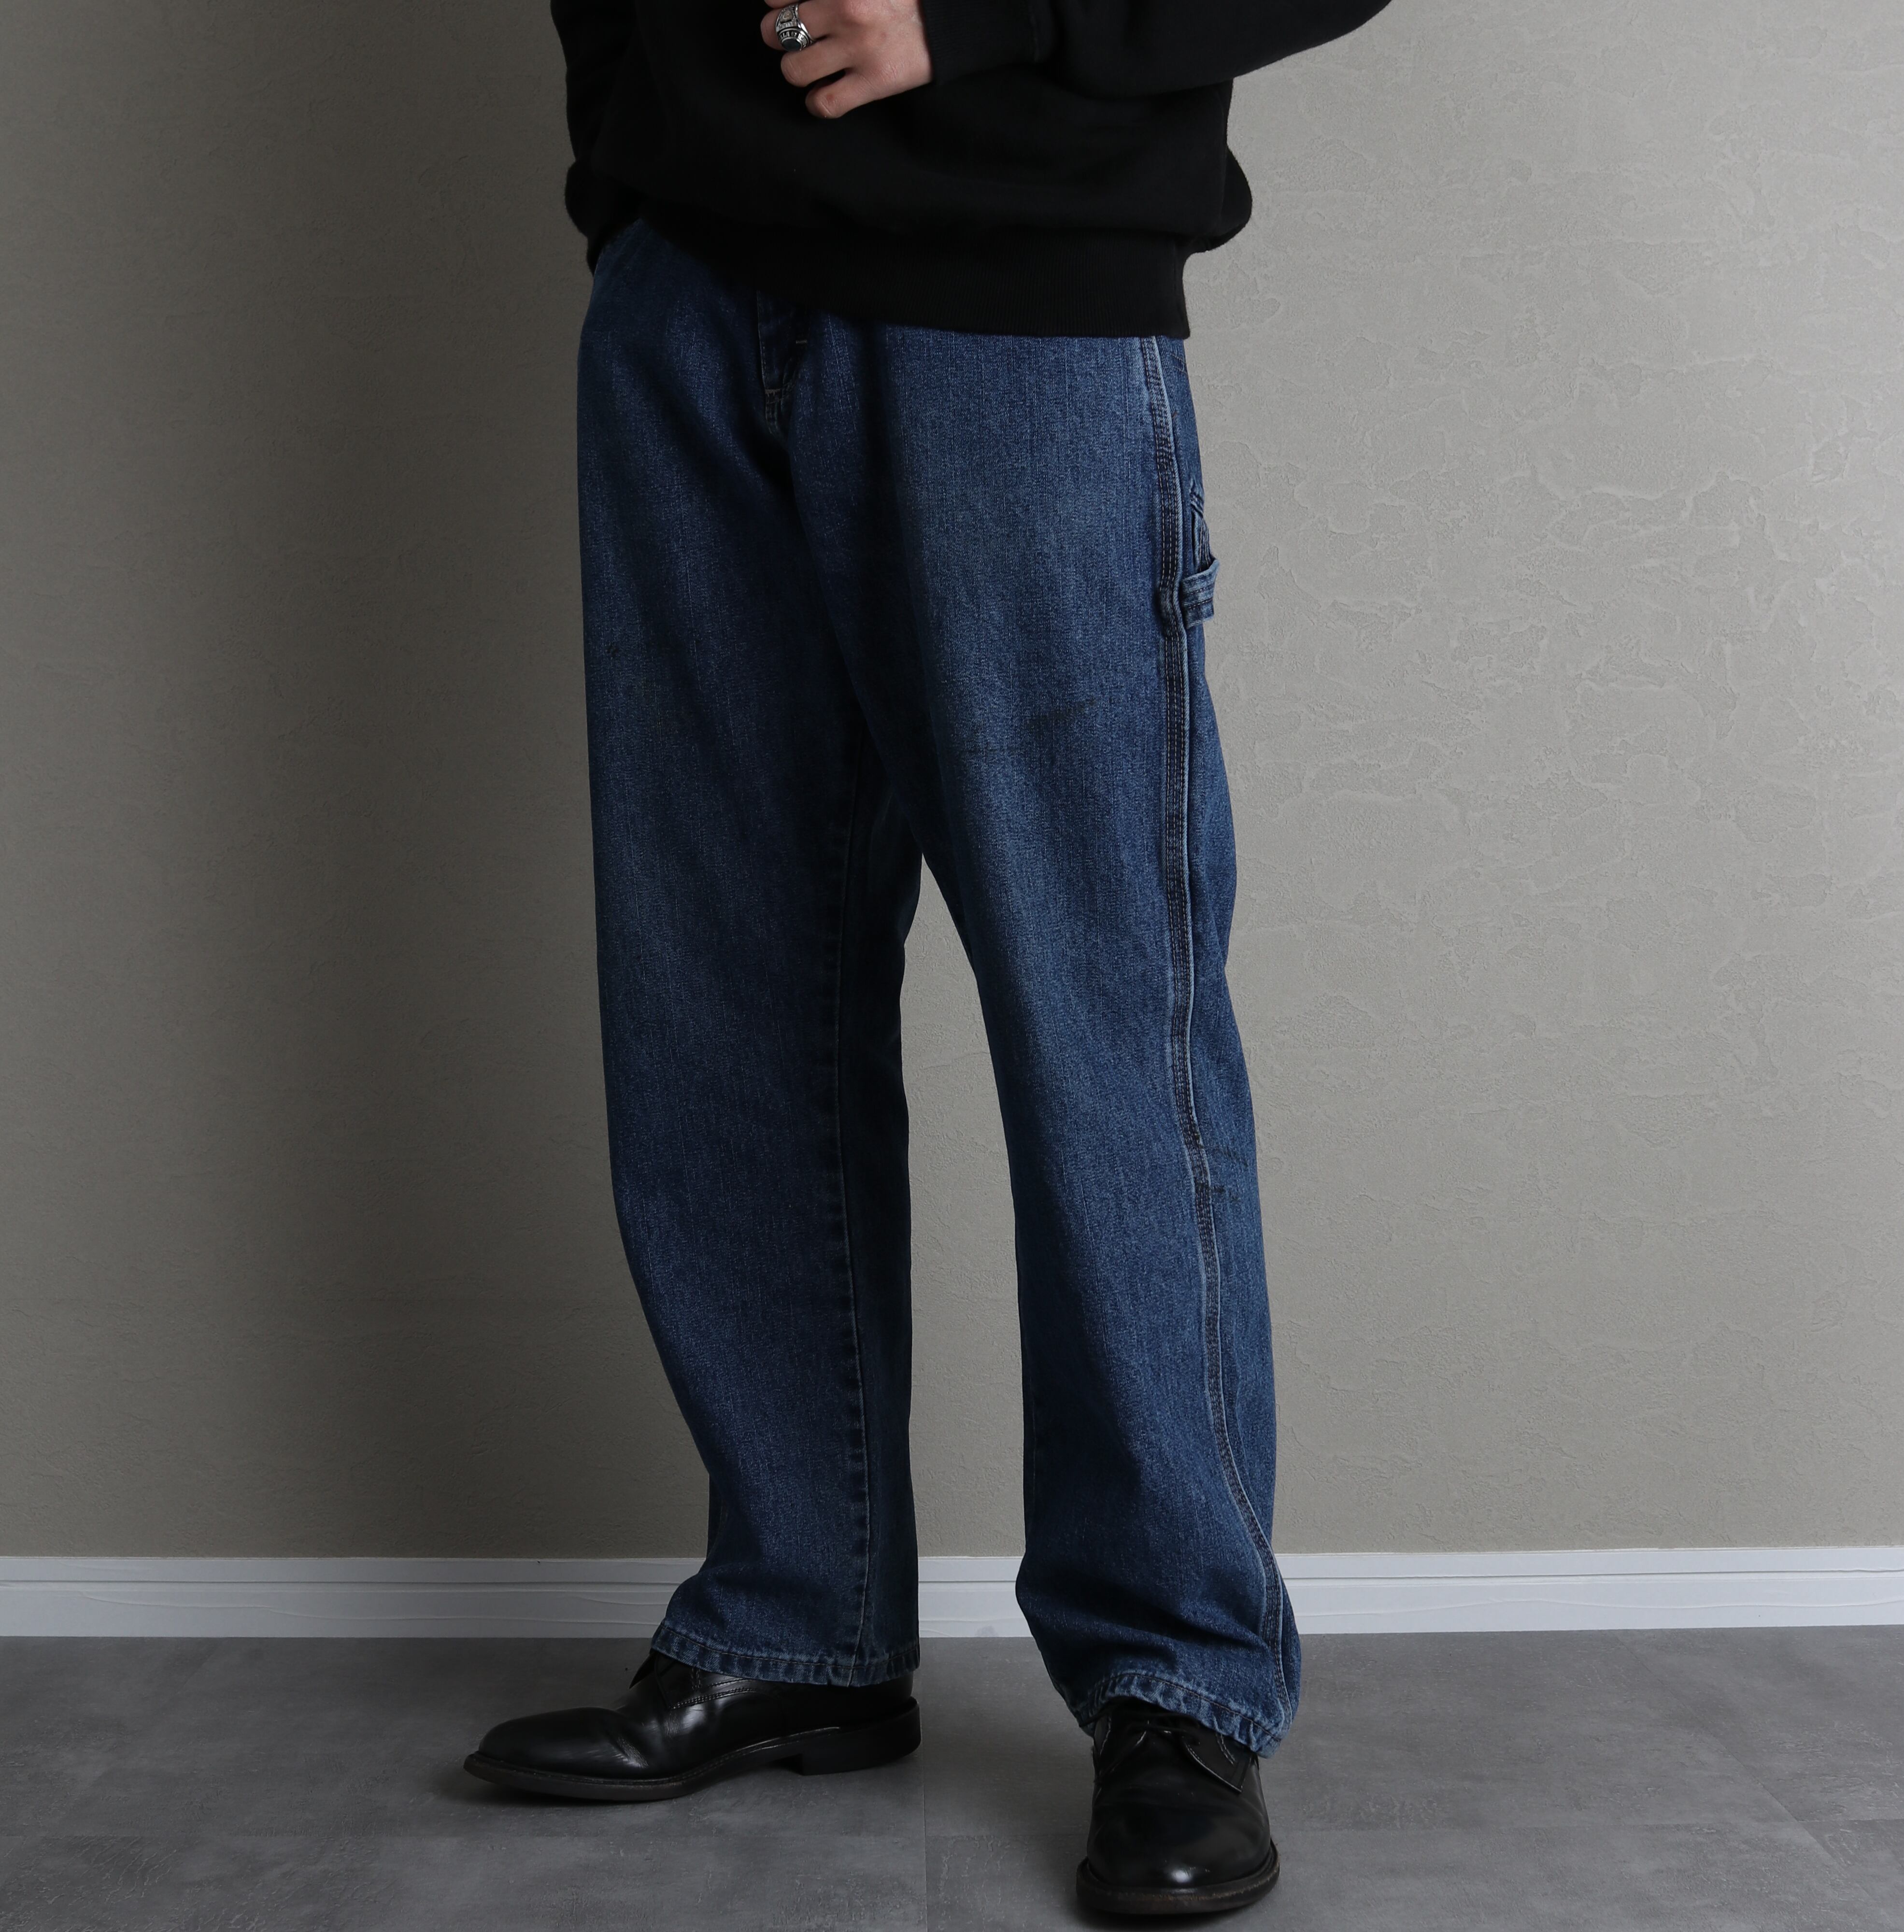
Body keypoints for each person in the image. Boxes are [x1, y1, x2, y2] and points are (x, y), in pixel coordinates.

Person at [464, 0, 1390, 1913]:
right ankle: (795, 1624)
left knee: (1102, 1020)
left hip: (1016, 317)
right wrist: (631, 163)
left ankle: (1179, 1685)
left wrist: (976, 17)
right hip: (683, 295)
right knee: (720, 1001)